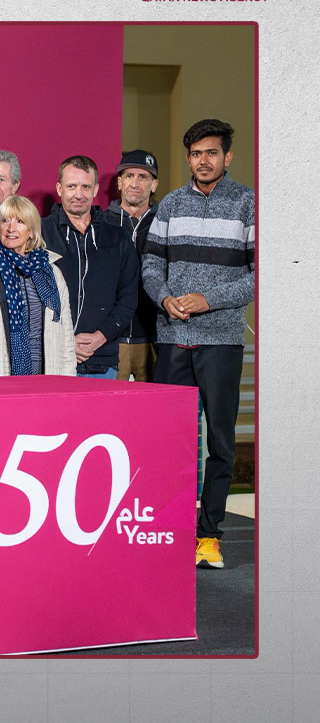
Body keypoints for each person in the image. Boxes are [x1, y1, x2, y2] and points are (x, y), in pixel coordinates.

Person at [143, 119, 254, 570]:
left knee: (220, 444)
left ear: (227, 157)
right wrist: (164, 297)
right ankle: (169, 530)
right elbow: (151, 265)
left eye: (211, 153)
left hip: (221, 341)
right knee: (168, 442)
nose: (202, 161)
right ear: (188, 158)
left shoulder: (248, 203)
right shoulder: (170, 204)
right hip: (173, 338)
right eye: (195, 154)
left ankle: (208, 536)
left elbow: (259, 275)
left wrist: (209, 299)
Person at [40, 155, 138, 379]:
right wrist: (65, 341)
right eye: (71, 186)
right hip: (53, 359)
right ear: (59, 189)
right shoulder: (40, 233)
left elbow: (128, 297)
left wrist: (101, 336)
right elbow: (31, 298)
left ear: (95, 190)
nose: (79, 194)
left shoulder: (118, 237)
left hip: (102, 360)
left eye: (85, 187)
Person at [0, 196, 76, 377]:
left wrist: (67, 379)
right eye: (5, 220)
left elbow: (65, 333)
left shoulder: (51, 270)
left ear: (32, 231)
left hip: (49, 375)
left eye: (20, 222)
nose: (10, 228)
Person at [104, 150, 160, 381]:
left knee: (154, 403)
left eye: (143, 176)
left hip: (154, 338)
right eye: (129, 176)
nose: (135, 183)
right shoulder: (101, 222)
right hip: (111, 339)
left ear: (154, 185)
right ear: (119, 182)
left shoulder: (165, 224)